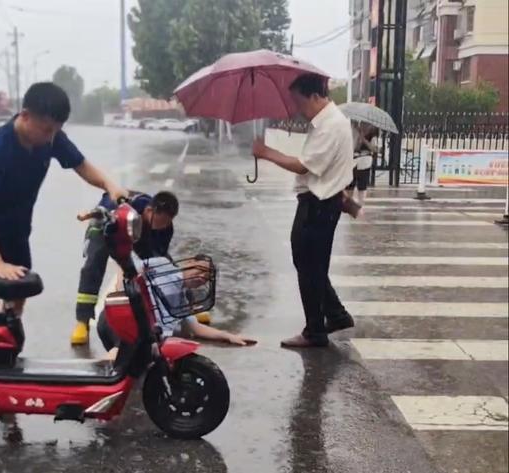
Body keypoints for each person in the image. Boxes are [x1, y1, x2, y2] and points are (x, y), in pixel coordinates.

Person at [0, 82, 127, 315]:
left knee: (19, 296)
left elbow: (82, 166)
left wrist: (111, 185)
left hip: (17, 231)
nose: (51, 137)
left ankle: (8, 348)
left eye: (56, 130)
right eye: (47, 129)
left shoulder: (52, 138)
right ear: (25, 116)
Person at [251, 73, 355, 348]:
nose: (297, 108)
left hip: (318, 205)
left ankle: (315, 332)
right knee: (311, 265)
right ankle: (336, 315)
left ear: (314, 96)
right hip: (322, 203)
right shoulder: (325, 122)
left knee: (309, 267)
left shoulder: (330, 125)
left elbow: (303, 165)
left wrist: (266, 152)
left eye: (298, 101)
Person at [72, 190, 215, 345]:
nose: (163, 227)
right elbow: (106, 203)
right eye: (160, 222)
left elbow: (161, 265)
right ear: (149, 211)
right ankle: (82, 321)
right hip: (106, 228)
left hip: (137, 232)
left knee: (163, 266)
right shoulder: (127, 205)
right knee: (93, 266)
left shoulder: (165, 228)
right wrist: (90, 214)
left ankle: (186, 309)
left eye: (167, 223)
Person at [96, 256, 256, 359]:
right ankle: (90, 376)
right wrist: (123, 291)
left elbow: (196, 328)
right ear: (189, 263)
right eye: (200, 270)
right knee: (121, 354)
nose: (201, 278)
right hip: (120, 318)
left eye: (206, 278)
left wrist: (228, 336)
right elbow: (125, 266)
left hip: (141, 331)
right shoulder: (163, 265)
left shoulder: (182, 301)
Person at [346, 122, 378, 208]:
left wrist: (364, 139)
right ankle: (350, 204)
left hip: (365, 161)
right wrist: (357, 135)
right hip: (353, 160)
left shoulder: (372, 134)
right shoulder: (354, 131)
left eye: (366, 124)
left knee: (362, 185)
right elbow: (351, 146)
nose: (364, 126)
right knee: (350, 184)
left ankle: (360, 205)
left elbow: (374, 149)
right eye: (363, 124)